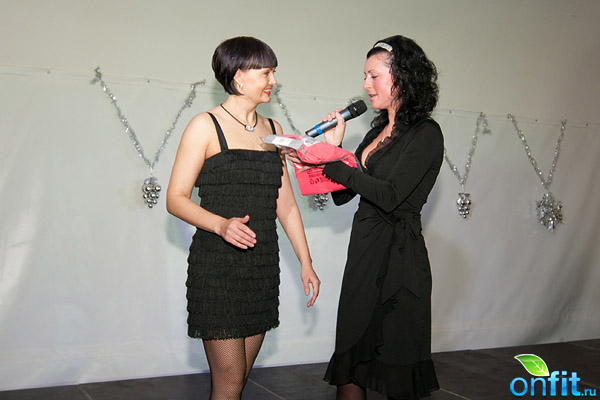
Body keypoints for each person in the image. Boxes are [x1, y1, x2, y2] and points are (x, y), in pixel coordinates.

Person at [166, 36, 320, 400]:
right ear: (238, 77)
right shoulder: (205, 126)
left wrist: (306, 261)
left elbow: (286, 205)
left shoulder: (274, 130)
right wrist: (221, 224)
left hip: (260, 267)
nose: (273, 81)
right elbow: (175, 199)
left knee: (238, 379)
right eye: (266, 73)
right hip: (217, 267)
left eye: (273, 72)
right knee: (230, 379)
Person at [296, 35, 443, 399]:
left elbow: (391, 197)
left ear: (402, 77)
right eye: (365, 76)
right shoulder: (376, 132)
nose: (365, 84)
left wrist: (336, 165)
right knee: (351, 360)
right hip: (364, 253)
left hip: (399, 260)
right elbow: (344, 195)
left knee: (396, 362)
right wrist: (332, 149)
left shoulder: (426, 133)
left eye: (374, 76)